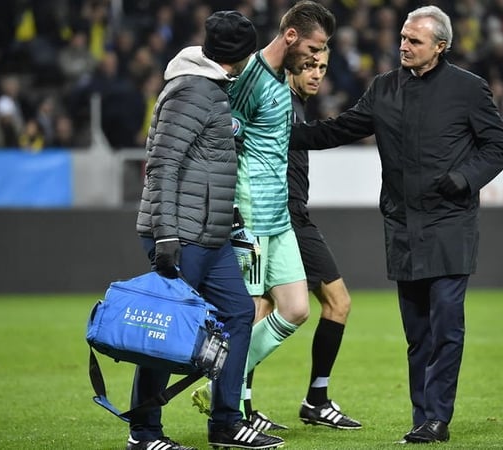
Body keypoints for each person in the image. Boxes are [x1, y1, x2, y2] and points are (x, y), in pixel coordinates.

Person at [289, 5, 503, 444]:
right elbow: (339, 129)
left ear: (441, 46)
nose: (404, 46)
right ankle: (421, 416)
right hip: (403, 225)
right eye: (404, 38)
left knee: (446, 325)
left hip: (450, 223)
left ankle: (437, 418)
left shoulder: (468, 89)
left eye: (414, 41)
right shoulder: (384, 88)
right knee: (417, 332)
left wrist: (462, 179)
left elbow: (497, 147)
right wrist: (283, 133)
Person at [131, 11, 283, 450]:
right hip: (181, 234)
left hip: (208, 233)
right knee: (164, 329)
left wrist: (226, 213)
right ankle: (143, 433)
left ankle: (225, 424)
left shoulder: (212, 89)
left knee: (237, 314)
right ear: (244, 54)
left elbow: (202, 166)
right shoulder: (192, 91)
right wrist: (164, 236)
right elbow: (161, 165)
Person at [191, 0, 336, 432]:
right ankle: (230, 405)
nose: (316, 57)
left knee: (295, 308)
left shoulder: (281, 81)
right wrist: (228, 205)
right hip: (250, 216)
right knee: (251, 309)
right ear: (291, 37)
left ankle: (217, 378)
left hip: (279, 216)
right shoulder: (251, 75)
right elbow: (223, 139)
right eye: (314, 46)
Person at [285, 49, 362, 429]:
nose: (317, 75)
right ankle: (316, 399)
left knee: (263, 311)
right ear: (289, 66)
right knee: (337, 302)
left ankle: (239, 404)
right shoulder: (280, 102)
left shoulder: (295, 105)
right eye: (308, 67)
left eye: (322, 68)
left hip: (290, 214)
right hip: (288, 217)